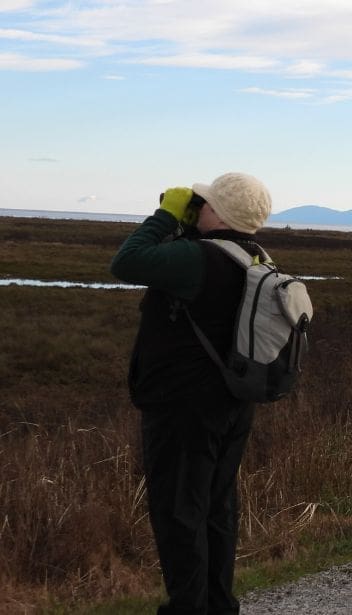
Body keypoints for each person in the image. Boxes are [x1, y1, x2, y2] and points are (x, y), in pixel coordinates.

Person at [111, 172, 272, 614]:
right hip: (232, 403)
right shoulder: (254, 256)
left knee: (179, 511)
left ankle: (187, 607)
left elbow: (126, 262)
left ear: (219, 214)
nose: (199, 206)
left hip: (183, 407)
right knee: (216, 509)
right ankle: (218, 604)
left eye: (206, 203)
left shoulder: (195, 259)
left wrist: (164, 215)